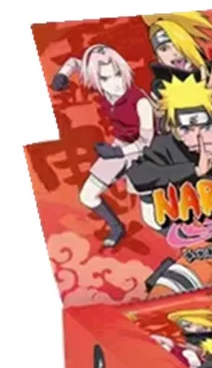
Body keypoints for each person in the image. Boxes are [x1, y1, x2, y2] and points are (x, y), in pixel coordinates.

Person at [51, 45, 155, 245]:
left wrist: (117, 152)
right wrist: (62, 74)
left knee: (152, 219)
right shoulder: (100, 86)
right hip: (120, 147)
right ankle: (117, 228)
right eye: (106, 78)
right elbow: (75, 62)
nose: (116, 83)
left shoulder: (140, 101)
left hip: (147, 154)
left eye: (118, 74)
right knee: (87, 196)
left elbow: (146, 142)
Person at [143, 11, 212, 98]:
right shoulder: (161, 87)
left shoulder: (211, 72)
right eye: (164, 49)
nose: (175, 52)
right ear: (158, 58)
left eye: (178, 45)